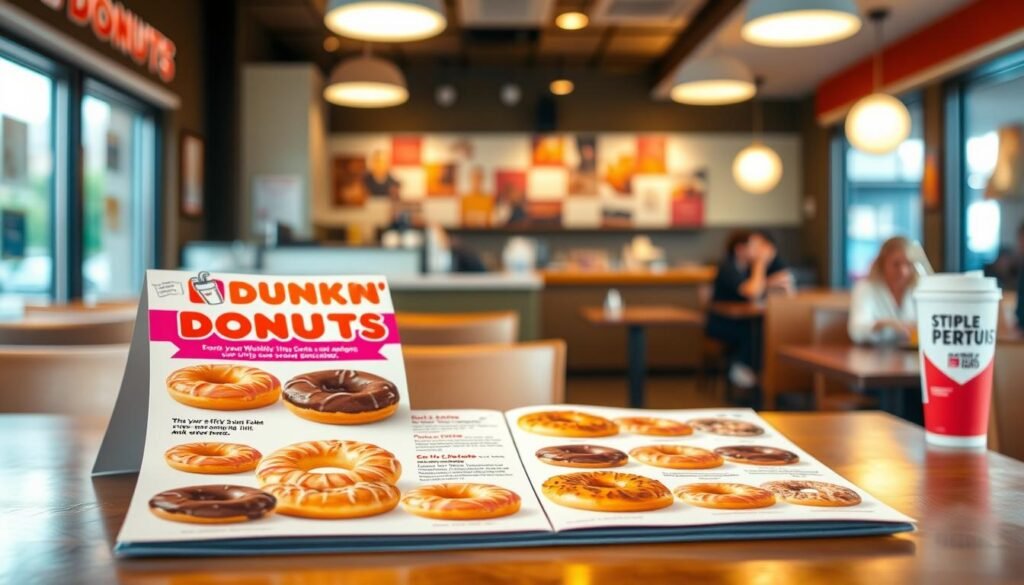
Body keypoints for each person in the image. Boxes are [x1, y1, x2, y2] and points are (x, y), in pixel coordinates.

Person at [706, 230, 795, 390]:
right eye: (752, 246)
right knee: (756, 330)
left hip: (743, 319)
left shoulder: (747, 268)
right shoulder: (728, 267)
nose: (756, 251)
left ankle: (762, 376)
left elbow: (782, 286)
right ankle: (745, 369)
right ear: (740, 249)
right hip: (723, 323)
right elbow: (752, 292)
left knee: (765, 328)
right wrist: (761, 265)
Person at [848, 236, 920, 345]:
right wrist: (884, 324)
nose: (903, 271)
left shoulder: (919, 290)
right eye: (896, 264)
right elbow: (856, 331)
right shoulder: (865, 288)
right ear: (882, 264)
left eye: (908, 264)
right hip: (875, 354)